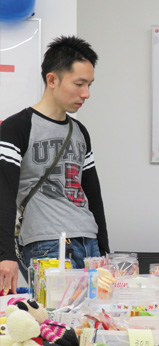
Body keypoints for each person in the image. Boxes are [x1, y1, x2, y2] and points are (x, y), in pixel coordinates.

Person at [0, 35, 109, 293]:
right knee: (55, 323)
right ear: (52, 80)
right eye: (79, 84)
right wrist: (5, 254)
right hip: (46, 244)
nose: (86, 94)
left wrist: (104, 250)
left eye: (90, 84)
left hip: (89, 241)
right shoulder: (17, 127)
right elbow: (3, 193)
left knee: (92, 322)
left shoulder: (80, 131)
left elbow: (93, 194)